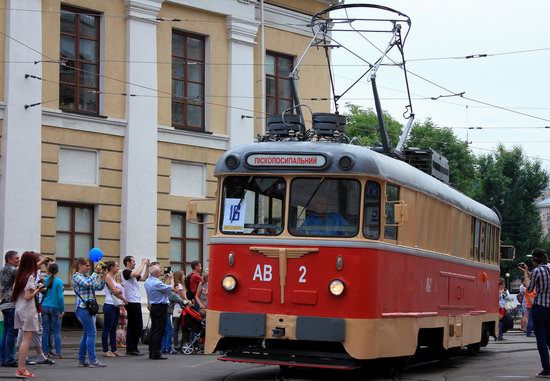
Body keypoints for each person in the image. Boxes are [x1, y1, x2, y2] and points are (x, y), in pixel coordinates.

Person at [72, 258, 106, 368]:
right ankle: (93, 360)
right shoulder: (76, 276)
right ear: (80, 266)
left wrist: (103, 277)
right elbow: (87, 284)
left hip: (89, 308)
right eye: (87, 265)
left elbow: (98, 287)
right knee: (92, 333)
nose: (89, 267)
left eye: (89, 266)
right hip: (82, 308)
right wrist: (95, 272)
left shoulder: (88, 277)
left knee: (87, 333)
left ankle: (82, 360)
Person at [13, 251, 41, 379]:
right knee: (26, 340)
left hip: (19, 308)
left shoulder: (20, 275)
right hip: (28, 310)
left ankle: (21, 368)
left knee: (24, 339)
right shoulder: (29, 276)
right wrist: (38, 289)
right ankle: (21, 368)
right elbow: (28, 296)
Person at [525, 248, 550, 378]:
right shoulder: (548, 268)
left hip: (540, 307)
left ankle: (547, 369)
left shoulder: (536, 271)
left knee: (541, 337)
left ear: (535, 259)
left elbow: (530, 289)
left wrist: (526, 276)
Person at [122, 256, 149, 356]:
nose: (135, 263)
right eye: (133, 261)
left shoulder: (132, 274)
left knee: (135, 326)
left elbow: (144, 278)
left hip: (135, 301)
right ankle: (131, 349)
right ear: (128, 262)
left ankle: (133, 348)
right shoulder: (126, 272)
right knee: (136, 326)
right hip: (131, 302)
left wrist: (147, 266)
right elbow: (136, 273)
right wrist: (143, 262)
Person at [144, 265, 173, 360]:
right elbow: (170, 289)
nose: (161, 272)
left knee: (154, 329)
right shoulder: (156, 283)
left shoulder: (148, 281)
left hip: (154, 306)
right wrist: (171, 279)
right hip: (161, 307)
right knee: (159, 331)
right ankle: (156, 352)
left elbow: (159, 287)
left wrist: (163, 280)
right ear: (156, 273)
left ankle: (152, 352)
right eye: (159, 271)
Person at [102, 261, 127, 358]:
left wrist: (119, 290)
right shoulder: (107, 277)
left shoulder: (112, 278)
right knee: (107, 328)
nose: (118, 268)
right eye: (117, 266)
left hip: (116, 305)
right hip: (109, 304)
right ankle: (105, 350)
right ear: (111, 267)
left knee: (113, 329)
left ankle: (114, 349)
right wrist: (124, 299)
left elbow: (117, 290)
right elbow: (114, 291)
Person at [0, 250, 20, 367]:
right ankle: (9, 359)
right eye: (16, 258)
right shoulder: (12, 270)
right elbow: (24, 273)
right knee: (12, 333)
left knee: (6, 333)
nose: (18, 260)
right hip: (11, 303)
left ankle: (3, 358)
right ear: (9, 260)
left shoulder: (2, 269)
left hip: (3, 303)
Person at [41, 263, 64, 359]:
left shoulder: (44, 280)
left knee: (45, 330)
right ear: (57, 271)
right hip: (55, 307)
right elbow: (60, 297)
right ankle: (58, 352)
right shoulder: (59, 281)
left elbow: (42, 292)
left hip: (44, 306)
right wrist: (62, 309)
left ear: (48, 270)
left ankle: (45, 352)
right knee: (57, 331)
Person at [172, 271, 188, 352]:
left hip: (176, 308)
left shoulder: (175, 285)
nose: (184, 276)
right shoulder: (180, 285)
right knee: (182, 326)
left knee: (176, 327)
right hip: (180, 308)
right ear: (180, 276)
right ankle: (180, 344)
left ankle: (176, 344)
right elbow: (183, 297)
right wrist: (189, 301)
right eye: (183, 275)